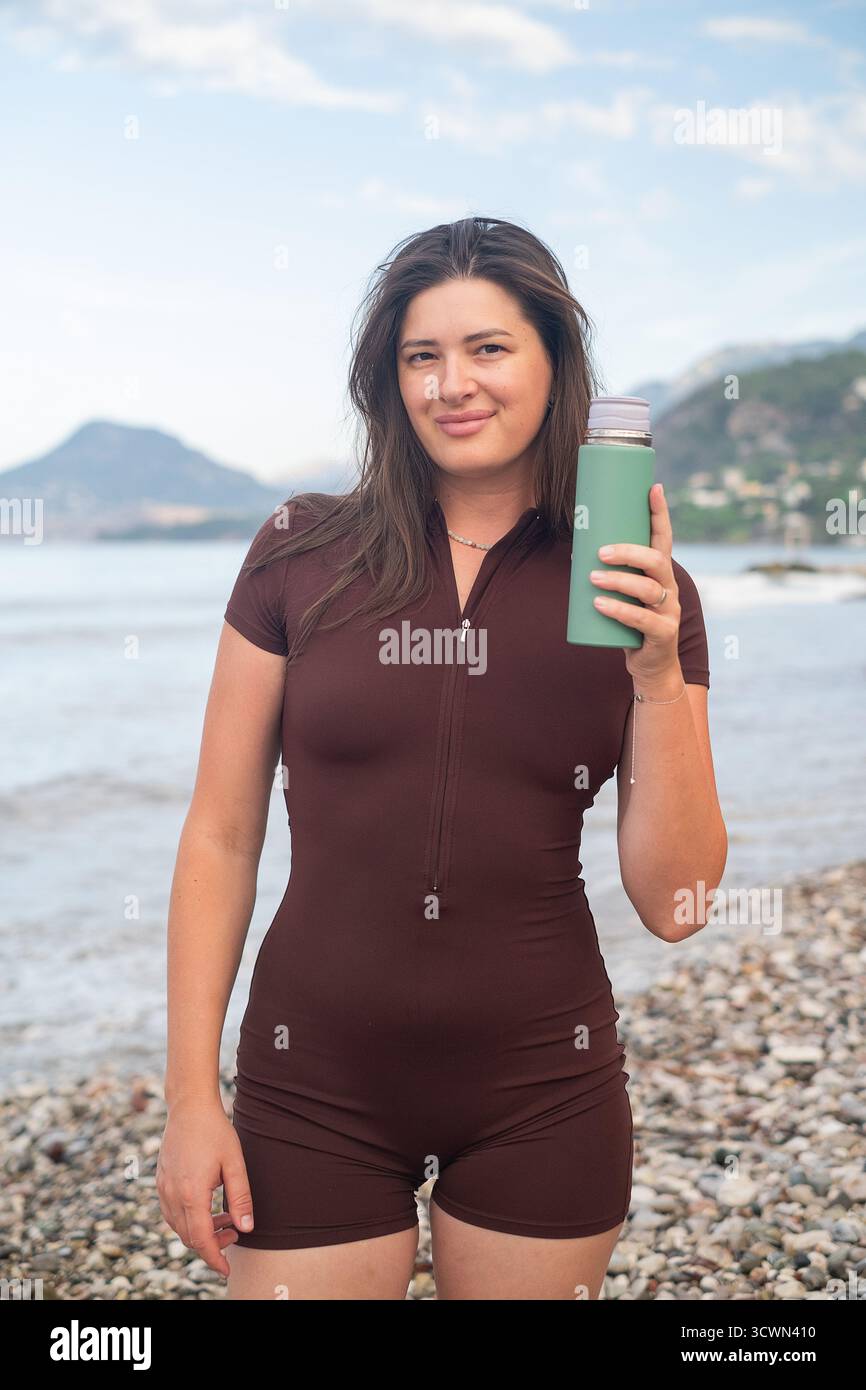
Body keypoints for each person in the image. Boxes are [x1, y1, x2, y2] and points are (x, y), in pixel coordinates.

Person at [158, 215, 727, 1300]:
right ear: (389, 380)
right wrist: (192, 1095)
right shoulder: (301, 553)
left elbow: (680, 900)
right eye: (421, 355)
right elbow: (221, 833)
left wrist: (657, 679)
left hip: (540, 1088)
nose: (450, 384)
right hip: (310, 1080)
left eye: (488, 348)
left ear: (554, 365)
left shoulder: (638, 593)